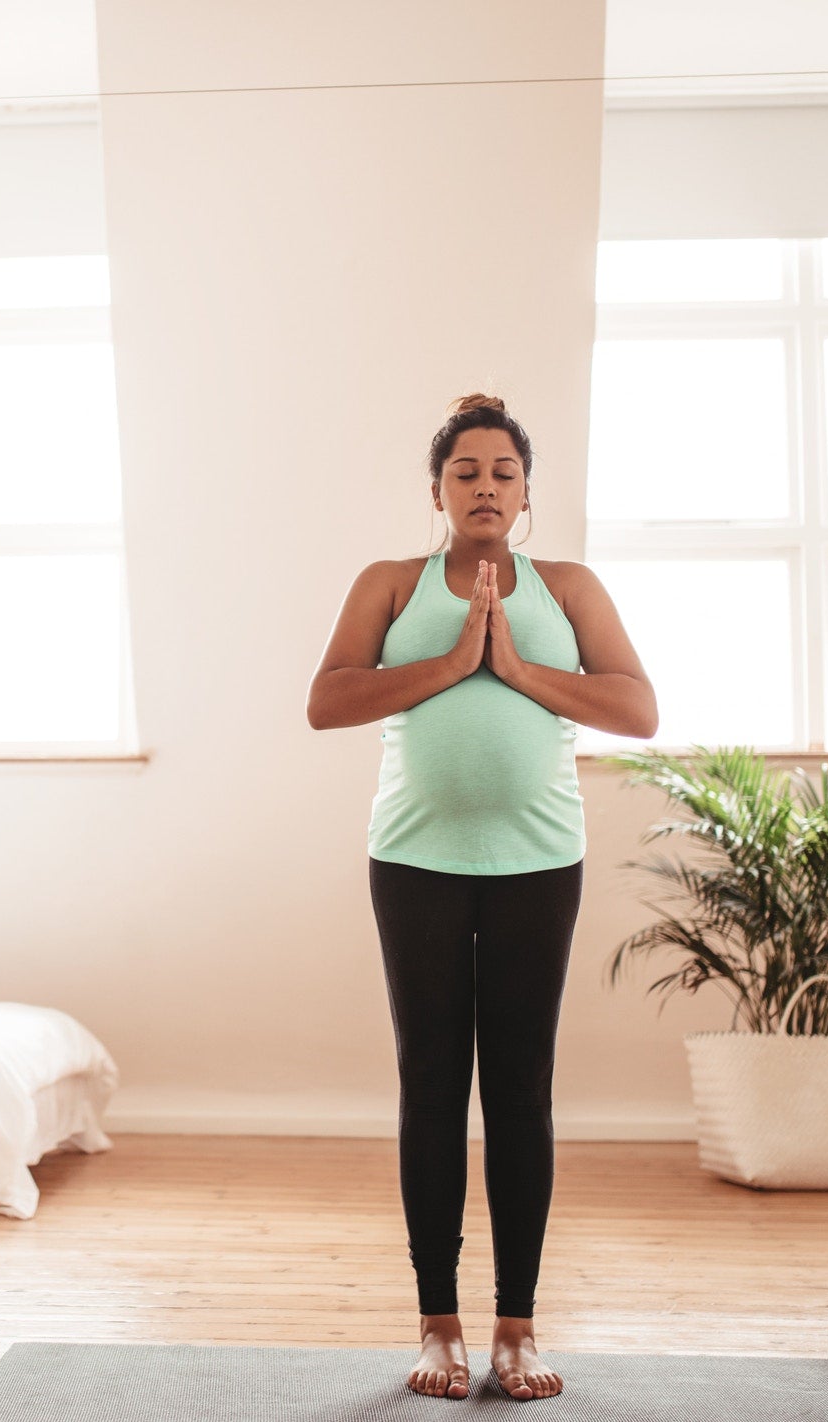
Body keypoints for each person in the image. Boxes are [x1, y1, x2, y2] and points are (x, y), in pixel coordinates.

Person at [306, 392, 658, 1401]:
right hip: (413, 863)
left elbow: (637, 706)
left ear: (527, 493)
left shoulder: (568, 588)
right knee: (430, 1087)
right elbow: (328, 698)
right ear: (437, 490)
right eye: (466, 472)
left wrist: (514, 666)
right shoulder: (390, 584)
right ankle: (437, 1325)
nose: (486, 487)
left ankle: (516, 1328)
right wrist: (454, 659)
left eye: (504, 472)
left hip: (538, 866)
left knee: (518, 1093)